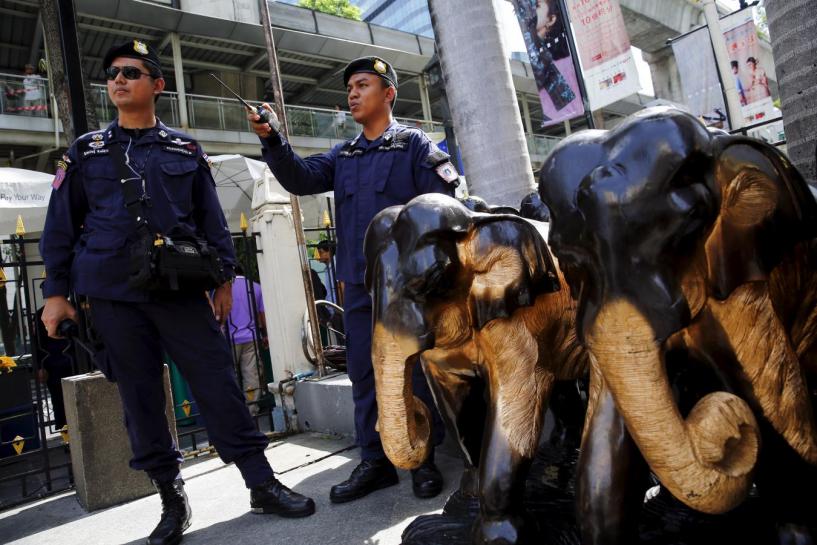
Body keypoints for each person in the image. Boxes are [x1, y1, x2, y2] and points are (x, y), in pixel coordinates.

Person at [39, 39, 315, 545]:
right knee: (141, 401)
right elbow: (60, 226)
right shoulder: (85, 151)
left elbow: (212, 222)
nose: (118, 80)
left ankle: (261, 484)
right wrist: (56, 293)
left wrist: (224, 280)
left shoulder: (185, 149)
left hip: (180, 292)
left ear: (157, 85)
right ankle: (171, 498)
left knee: (219, 387)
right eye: (113, 73)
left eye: (132, 72)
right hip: (113, 296)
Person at [248, 56, 458, 503]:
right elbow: (300, 178)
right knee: (363, 373)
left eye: (363, 84)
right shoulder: (345, 155)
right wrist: (274, 139)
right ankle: (375, 462)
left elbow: (444, 204)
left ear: (389, 94)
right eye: (349, 88)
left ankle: (423, 459)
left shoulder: (414, 146)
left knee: (413, 373)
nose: (353, 94)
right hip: (359, 287)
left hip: (406, 289)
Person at [226, 265, 267, 416]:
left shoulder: (222, 288)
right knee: (251, 374)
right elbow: (262, 315)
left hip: (229, 337)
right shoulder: (255, 287)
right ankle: (251, 409)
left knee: (231, 374)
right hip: (251, 336)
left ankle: (235, 412)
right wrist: (265, 334)